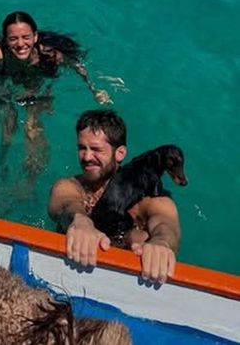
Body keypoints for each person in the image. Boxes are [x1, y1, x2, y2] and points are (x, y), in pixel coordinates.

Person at [0, 11, 111, 183]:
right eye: (13, 39)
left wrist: (94, 89)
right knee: (1, 118)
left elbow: (76, 65)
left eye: (26, 37)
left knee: (33, 123)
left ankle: (30, 177)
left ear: (35, 37)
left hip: (35, 74)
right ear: (5, 40)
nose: (20, 44)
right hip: (3, 73)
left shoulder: (48, 54)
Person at [48, 109, 181, 284]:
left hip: (122, 272)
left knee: (138, 238)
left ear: (120, 153)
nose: (87, 157)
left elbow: (166, 225)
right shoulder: (70, 186)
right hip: (71, 268)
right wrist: (80, 219)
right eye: (82, 148)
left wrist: (162, 242)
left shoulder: (148, 200)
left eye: (96, 149)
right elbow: (65, 204)